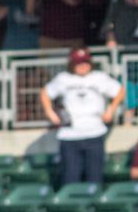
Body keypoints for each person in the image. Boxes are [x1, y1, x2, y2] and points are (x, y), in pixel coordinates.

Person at [42, 47, 126, 188]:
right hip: (70, 135)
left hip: (94, 132)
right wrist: (50, 112)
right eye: (78, 63)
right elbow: (45, 93)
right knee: (70, 178)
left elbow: (120, 91)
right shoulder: (63, 79)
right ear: (72, 64)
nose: (82, 66)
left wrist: (111, 110)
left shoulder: (99, 77)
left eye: (85, 62)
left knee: (94, 178)